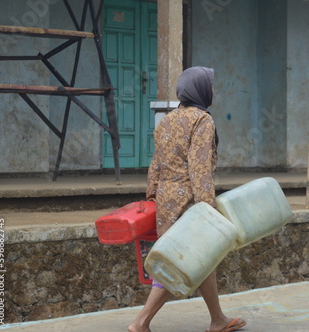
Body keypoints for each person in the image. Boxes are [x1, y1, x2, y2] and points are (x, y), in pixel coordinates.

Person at [128, 66, 246, 332]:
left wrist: (152, 195)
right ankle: (141, 322)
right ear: (201, 90)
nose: (213, 91)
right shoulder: (202, 120)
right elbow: (199, 167)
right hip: (189, 202)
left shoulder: (168, 120)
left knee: (200, 258)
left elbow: (155, 163)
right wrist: (208, 205)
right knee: (180, 261)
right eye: (211, 86)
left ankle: (218, 319)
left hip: (167, 201)